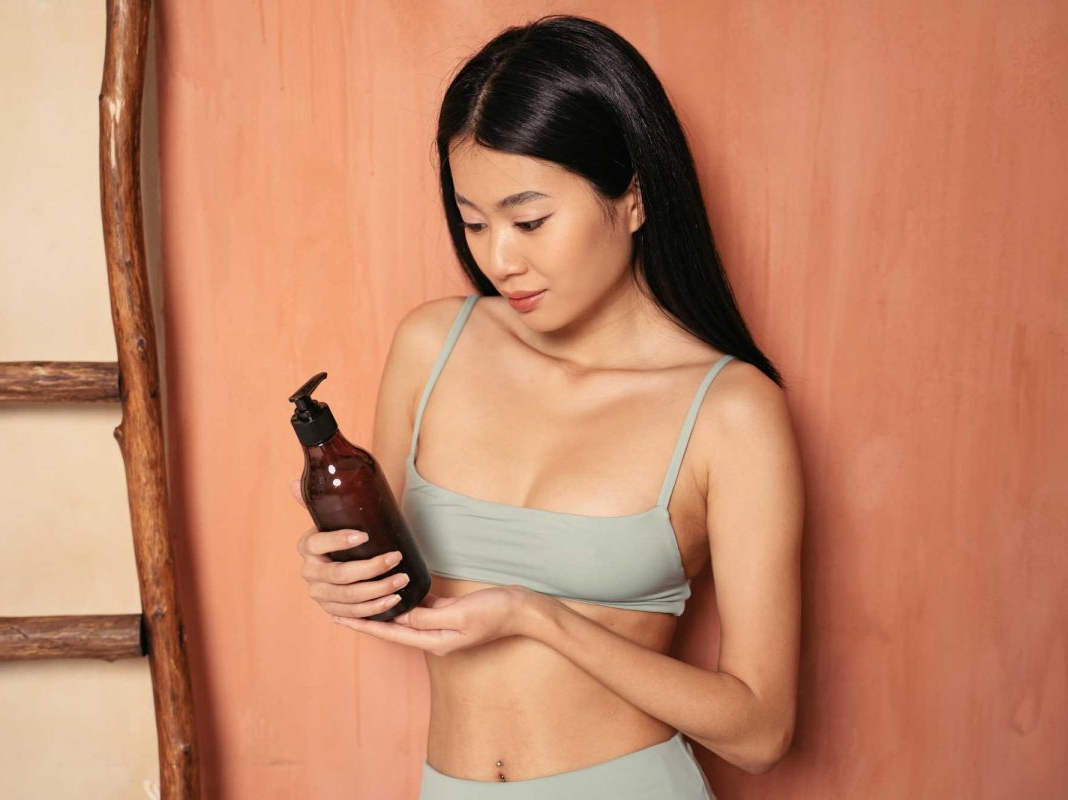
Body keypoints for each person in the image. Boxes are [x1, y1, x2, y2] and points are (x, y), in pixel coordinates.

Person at [293, 13, 803, 799]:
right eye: (473, 222)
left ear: (632, 196)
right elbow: (391, 568)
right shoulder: (432, 347)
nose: (500, 258)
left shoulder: (731, 412)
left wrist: (541, 617)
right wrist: (340, 579)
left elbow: (763, 732)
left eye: (530, 220)